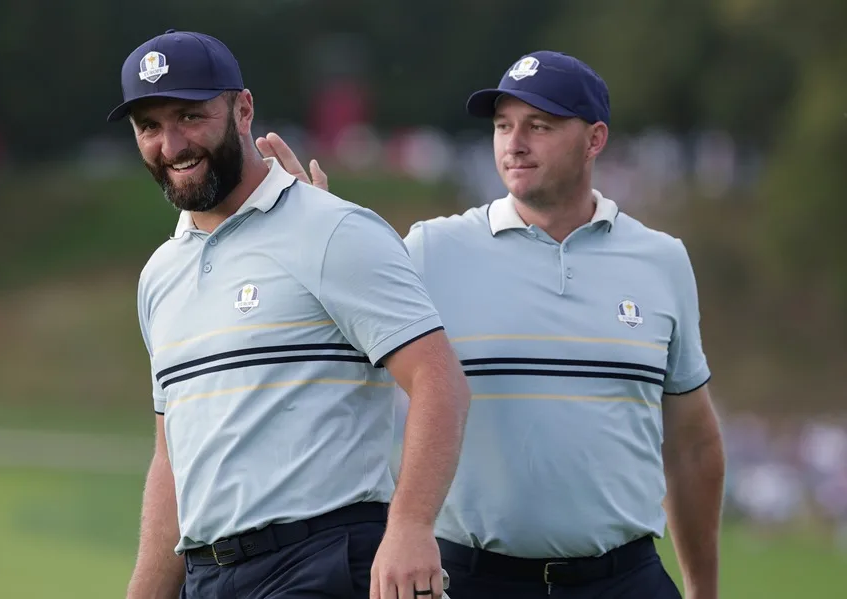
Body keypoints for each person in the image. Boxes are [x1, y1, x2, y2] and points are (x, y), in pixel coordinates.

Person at [258, 50, 726, 599]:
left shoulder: (662, 260)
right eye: (503, 126)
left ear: (595, 139)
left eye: (539, 126)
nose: (514, 143)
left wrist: (703, 592)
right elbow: (334, 325)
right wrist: (321, 234)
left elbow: (692, 446)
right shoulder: (432, 249)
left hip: (625, 579)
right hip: (473, 578)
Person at [106, 29, 470, 599]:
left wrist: (411, 527)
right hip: (206, 577)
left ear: (243, 109)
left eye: (190, 117)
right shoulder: (159, 275)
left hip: (318, 563)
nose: (171, 144)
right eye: (149, 127)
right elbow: (172, 458)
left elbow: (438, 379)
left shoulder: (332, 229)